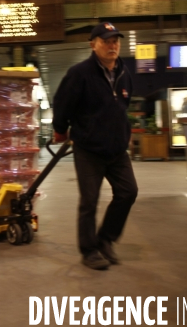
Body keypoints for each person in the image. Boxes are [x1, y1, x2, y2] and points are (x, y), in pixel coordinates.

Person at [52, 21, 138, 270]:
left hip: (116, 149)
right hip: (88, 149)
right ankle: (89, 251)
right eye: (106, 41)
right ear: (93, 45)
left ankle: (105, 239)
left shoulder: (124, 72)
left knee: (128, 192)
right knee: (89, 200)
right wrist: (60, 129)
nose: (112, 46)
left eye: (115, 41)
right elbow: (62, 103)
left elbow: (123, 106)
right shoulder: (80, 73)